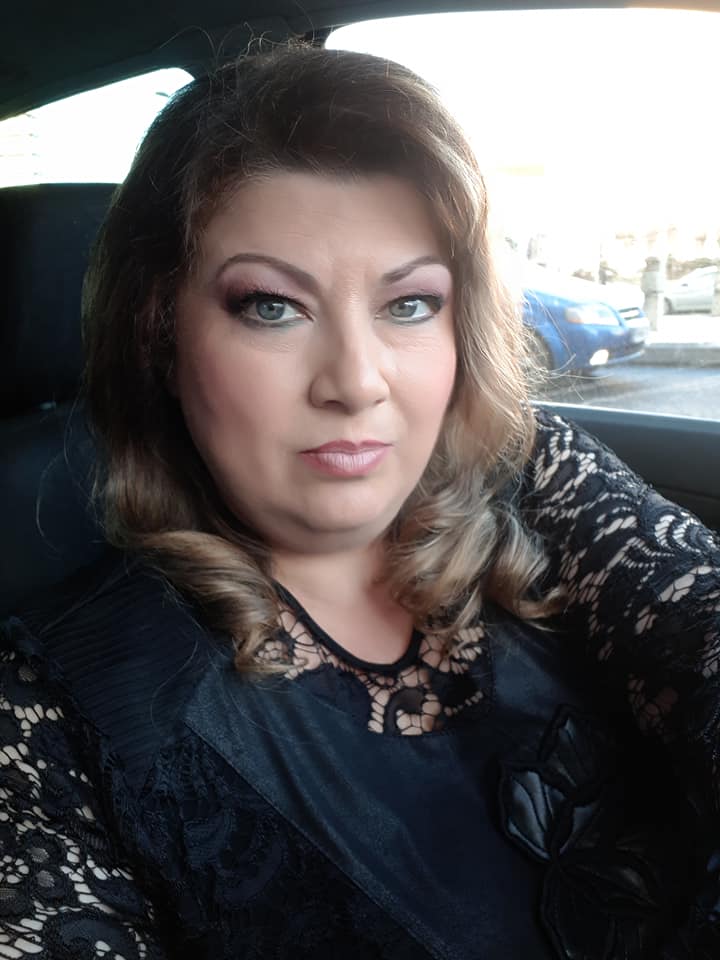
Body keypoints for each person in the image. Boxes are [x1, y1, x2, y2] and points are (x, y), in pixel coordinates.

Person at [1, 44, 719, 960]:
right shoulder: (52, 708)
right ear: (158, 336)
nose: (356, 380)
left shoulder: (540, 478)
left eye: (409, 304)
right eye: (271, 306)